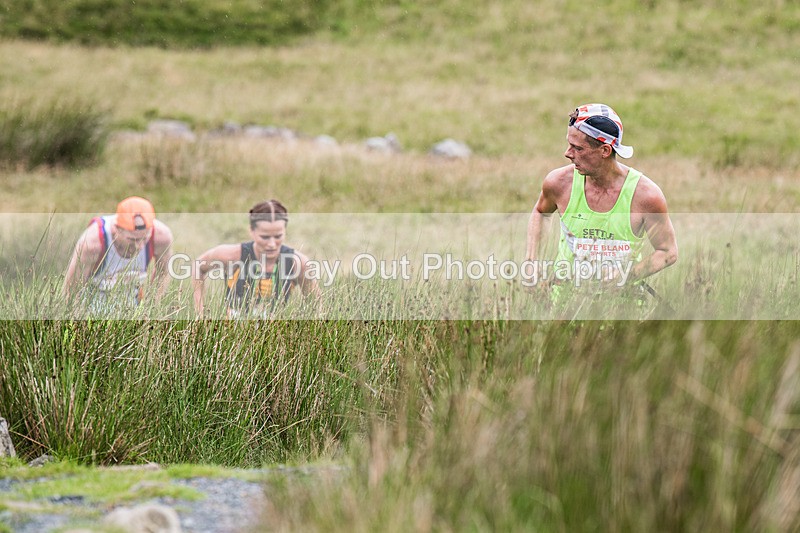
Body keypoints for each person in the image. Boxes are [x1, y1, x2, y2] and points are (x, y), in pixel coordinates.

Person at [525, 103, 678, 295]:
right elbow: (541, 212)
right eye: (569, 144)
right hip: (564, 304)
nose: (567, 153)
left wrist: (625, 276)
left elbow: (667, 252)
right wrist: (532, 261)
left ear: (605, 150)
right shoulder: (559, 183)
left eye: (577, 148)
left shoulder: (646, 195)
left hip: (623, 307)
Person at [192, 199, 320, 318]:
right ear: (251, 231)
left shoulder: (298, 264)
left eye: (278, 236)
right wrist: (200, 313)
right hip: (231, 331)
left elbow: (316, 308)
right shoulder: (231, 255)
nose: (272, 244)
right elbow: (198, 266)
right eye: (264, 237)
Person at [63, 196, 174, 313]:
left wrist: (150, 308)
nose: (139, 246)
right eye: (132, 239)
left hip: (131, 306)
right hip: (91, 306)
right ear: (116, 229)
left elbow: (164, 273)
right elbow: (70, 291)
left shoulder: (161, 236)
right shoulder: (92, 243)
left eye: (144, 239)